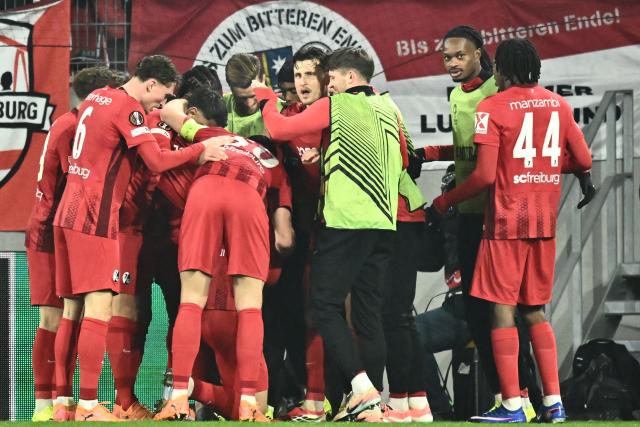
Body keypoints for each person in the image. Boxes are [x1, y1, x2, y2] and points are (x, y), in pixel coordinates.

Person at [430, 38, 593, 423]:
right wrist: (544, 167)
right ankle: (554, 404)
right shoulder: (558, 104)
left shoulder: (492, 107)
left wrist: (445, 201)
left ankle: (513, 405)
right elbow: (583, 159)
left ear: (500, 69)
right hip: (543, 221)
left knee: (501, 310)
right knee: (535, 309)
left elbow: (485, 175)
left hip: (505, 222)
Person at [51, 55, 221, 421]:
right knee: (98, 312)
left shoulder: (97, 96)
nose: (158, 106)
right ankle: (89, 406)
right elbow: (157, 163)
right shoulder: (128, 110)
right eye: (160, 98)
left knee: (71, 312)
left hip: (67, 211)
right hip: (94, 216)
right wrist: (198, 150)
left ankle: (61, 405)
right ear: (150, 84)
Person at [255, 46, 409, 422]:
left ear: (349, 77)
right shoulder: (388, 108)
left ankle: (362, 391)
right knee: (368, 316)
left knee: (323, 306)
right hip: (384, 222)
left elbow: (277, 127)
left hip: (346, 220)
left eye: (333, 78)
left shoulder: (337, 105)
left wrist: (266, 98)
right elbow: (404, 159)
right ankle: (371, 404)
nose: (330, 84)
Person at [153, 90, 290, 422]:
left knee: (190, 300)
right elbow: (285, 237)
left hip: (206, 191)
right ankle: (247, 404)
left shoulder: (217, 137)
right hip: (249, 199)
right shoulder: (274, 165)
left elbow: (169, 111)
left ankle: (179, 397)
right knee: (250, 307)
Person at [26, 66, 123, 422]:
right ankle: (46, 403)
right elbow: (79, 178)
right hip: (53, 229)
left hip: (51, 224)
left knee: (67, 314)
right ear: (98, 96)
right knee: (54, 316)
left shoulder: (70, 122)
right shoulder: (75, 127)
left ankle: (59, 403)